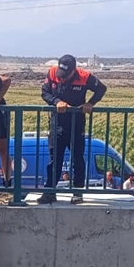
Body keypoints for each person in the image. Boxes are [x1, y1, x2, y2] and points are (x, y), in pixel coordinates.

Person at [40, 54, 106, 204]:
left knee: (77, 159)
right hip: (57, 124)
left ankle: (78, 192)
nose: (62, 78)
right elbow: (45, 92)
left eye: (65, 75)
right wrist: (57, 101)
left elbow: (101, 89)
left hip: (77, 125)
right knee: (54, 160)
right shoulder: (52, 73)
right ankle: (50, 191)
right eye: (60, 75)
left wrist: (90, 103)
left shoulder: (85, 76)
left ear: (73, 71)